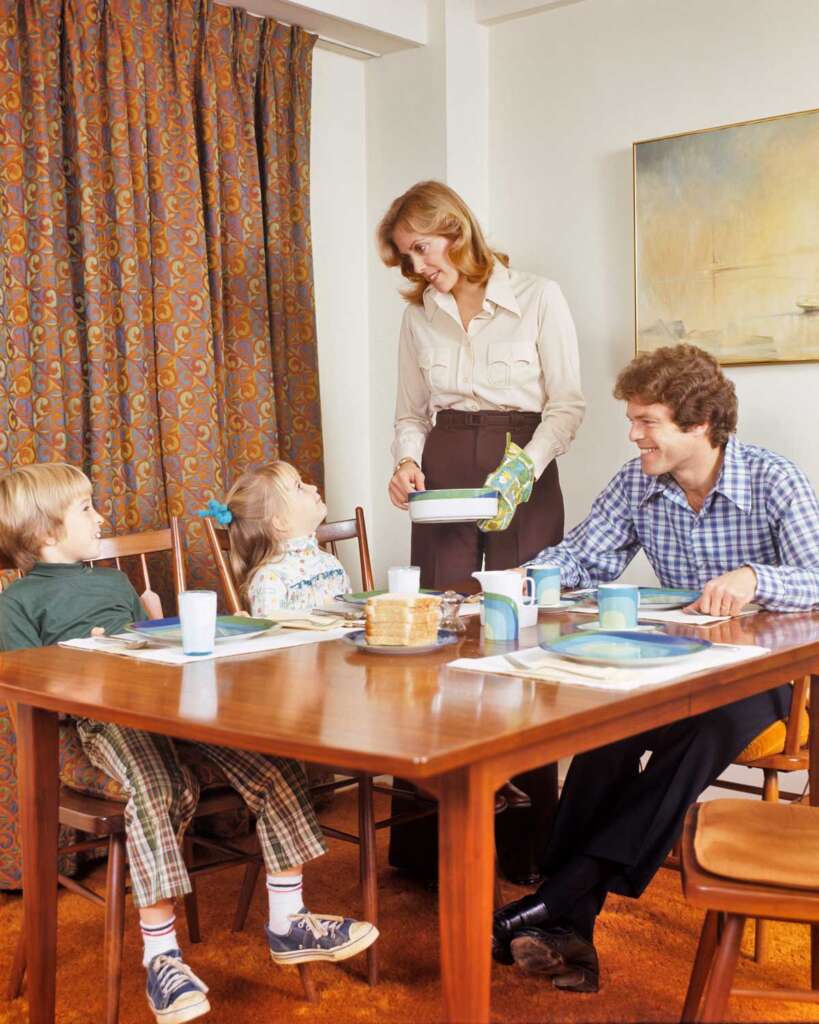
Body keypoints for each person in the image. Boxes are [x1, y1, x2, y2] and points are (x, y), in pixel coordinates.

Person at [492, 343, 819, 993]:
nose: (633, 434)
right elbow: (583, 558)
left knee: (699, 734)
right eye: (632, 420)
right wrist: (504, 585)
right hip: (678, 664)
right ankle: (566, 922)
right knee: (604, 733)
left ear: (697, 425)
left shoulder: (772, 479)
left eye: (646, 421)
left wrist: (755, 576)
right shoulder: (638, 482)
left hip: (769, 678)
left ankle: (559, 896)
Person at [0, 463, 377, 1024]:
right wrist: (81, 658)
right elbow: (25, 689)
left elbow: (149, 652)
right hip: (94, 732)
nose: (100, 515)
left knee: (274, 760)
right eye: (84, 509)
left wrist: (151, 625)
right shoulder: (19, 603)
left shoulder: (111, 581)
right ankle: (162, 957)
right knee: (159, 783)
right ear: (45, 533)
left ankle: (288, 918)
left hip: (163, 714)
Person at [377, 180, 586, 590]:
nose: (417, 267)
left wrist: (526, 468)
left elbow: (567, 406)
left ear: (455, 230)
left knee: (526, 600)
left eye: (421, 248)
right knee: (443, 604)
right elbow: (411, 415)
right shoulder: (418, 317)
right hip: (444, 466)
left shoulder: (540, 297)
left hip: (525, 463)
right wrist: (406, 462)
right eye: (407, 257)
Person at [211, 461, 349, 615]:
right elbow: (273, 637)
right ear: (280, 522)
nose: (313, 487)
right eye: (299, 487)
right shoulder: (270, 580)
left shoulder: (330, 564)